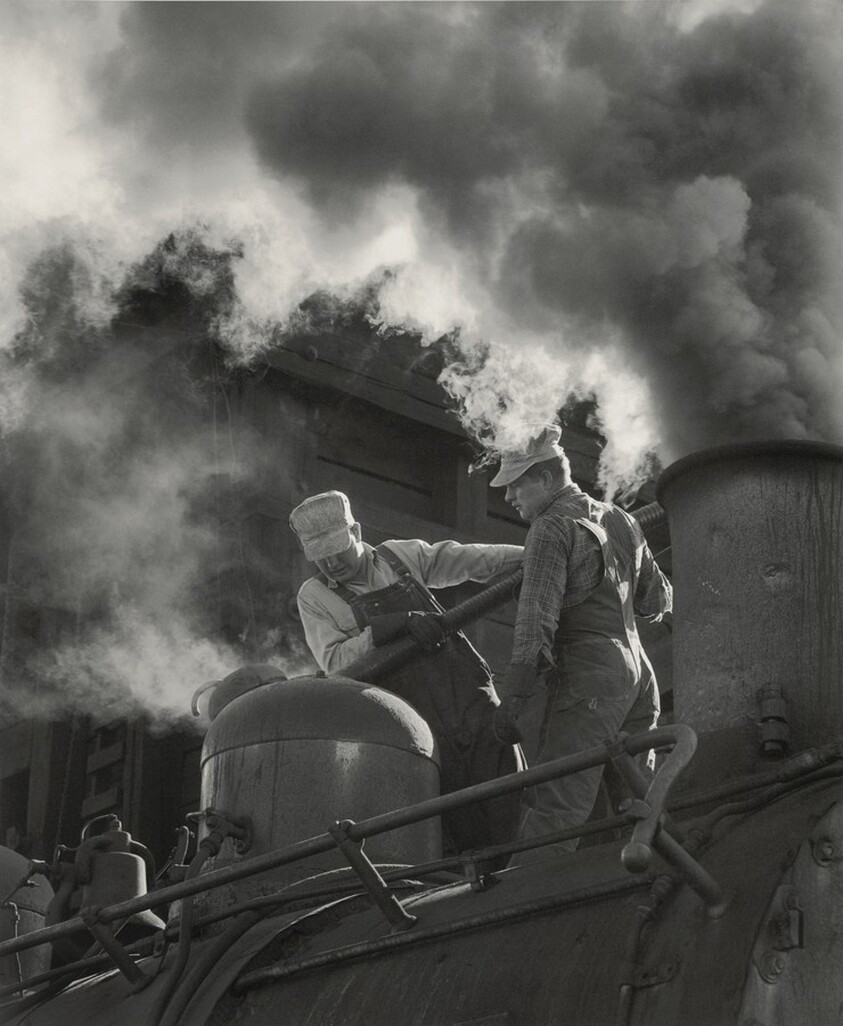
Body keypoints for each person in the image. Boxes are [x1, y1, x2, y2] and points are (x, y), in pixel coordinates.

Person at [290, 490, 525, 854]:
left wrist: (534, 555)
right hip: (412, 720)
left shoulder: (400, 557)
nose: (331, 564)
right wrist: (395, 626)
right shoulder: (314, 597)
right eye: (320, 557)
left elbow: (471, 560)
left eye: (337, 550)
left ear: (355, 530)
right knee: (450, 816)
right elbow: (336, 664)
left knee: (509, 789)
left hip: (467, 698)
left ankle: (522, 869)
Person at [490, 425, 672, 864]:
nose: (509, 497)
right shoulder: (623, 519)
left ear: (548, 479)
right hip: (638, 679)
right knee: (633, 807)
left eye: (517, 484)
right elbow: (657, 599)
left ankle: (520, 908)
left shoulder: (552, 527)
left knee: (557, 805)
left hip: (590, 676)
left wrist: (513, 697)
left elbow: (536, 622)